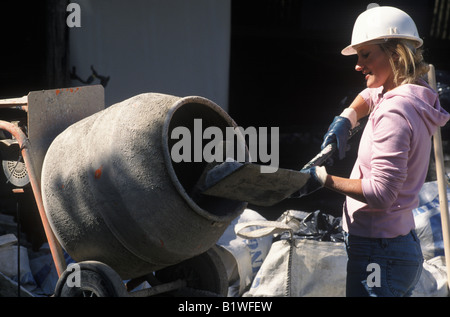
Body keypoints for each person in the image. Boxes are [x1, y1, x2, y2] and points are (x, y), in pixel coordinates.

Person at [297, 5, 450, 296]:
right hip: (391, 245)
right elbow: (370, 94)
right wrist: (347, 117)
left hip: (379, 254)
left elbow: (381, 194)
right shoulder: (413, 90)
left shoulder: (393, 113)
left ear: (395, 54)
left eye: (366, 54)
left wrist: (321, 179)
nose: (357, 64)